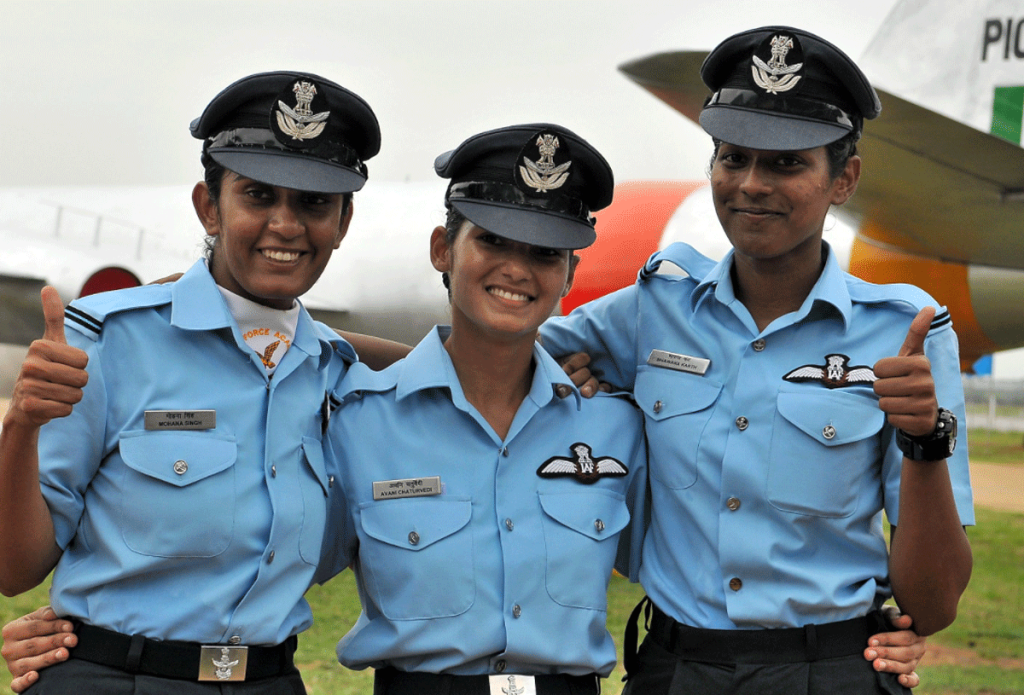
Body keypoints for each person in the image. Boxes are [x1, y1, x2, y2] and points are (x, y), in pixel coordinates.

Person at [538, 26, 973, 695]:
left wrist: (924, 441)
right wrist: (328, 349)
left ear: (844, 179)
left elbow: (936, 604)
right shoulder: (658, 304)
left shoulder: (902, 333)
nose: (750, 184)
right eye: (733, 157)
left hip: (828, 672)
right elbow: (492, 356)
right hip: (675, 670)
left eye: (786, 164)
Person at [0, 70, 381, 693]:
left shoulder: (338, 373)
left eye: (314, 203)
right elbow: (14, 568)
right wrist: (19, 424)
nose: (286, 225)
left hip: (269, 681)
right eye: (258, 195)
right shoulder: (109, 342)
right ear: (210, 206)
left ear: (342, 221)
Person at [308, 123, 647, 695]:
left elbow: (708, 554)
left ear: (570, 273)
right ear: (443, 249)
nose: (517, 269)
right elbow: (268, 568)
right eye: (492, 239)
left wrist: (854, 624)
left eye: (545, 252)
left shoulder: (614, 426)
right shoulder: (357, 423)